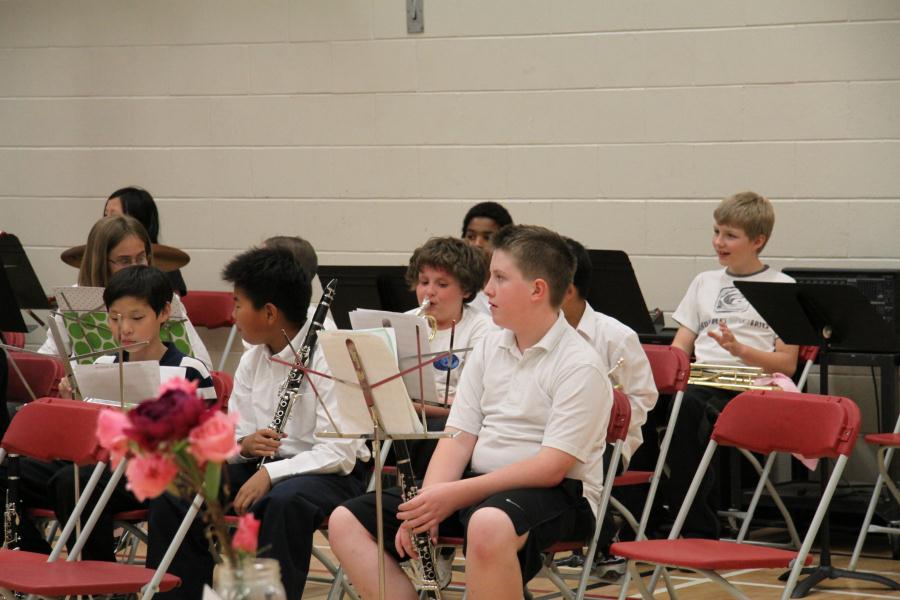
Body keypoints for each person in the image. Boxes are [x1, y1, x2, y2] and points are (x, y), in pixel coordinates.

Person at [329, 225, 611, 600]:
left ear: (537, 290)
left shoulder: (580, 364)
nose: (487, 289)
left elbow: (550, 468)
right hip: (478, 485)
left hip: (559, 495)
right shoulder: (490, 346)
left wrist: (452, 495)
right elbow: (458, 437)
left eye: (499, 278)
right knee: (345, 520)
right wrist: (429, 503)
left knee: (488, 523)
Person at [147, 246, 370, 599]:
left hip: (329, 474)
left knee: (281, 503)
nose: (232, 314)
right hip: (263, 466)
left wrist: (271, 474)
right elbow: (237, 436)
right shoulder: (252, 360)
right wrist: (245, 445)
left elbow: (340, 454)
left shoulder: (331, 357)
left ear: (269, 313)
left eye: (238, 304)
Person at [2, 266, 216, 560]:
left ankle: (99, 575)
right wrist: (72, 404)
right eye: (114, 318)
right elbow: (81, 437)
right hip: (97, 465)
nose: (124, 328)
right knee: (12, 471)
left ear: (164, 313)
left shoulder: (189, 370)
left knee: (73, 482)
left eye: (136, 318)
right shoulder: (101, 364)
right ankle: (34, 558)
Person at [667, 191, 798, 539]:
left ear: (758, 241)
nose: (718, 242)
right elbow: (680, 346)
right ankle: (643, 519)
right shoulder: (704, 282)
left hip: (751, 385)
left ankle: (696, 531)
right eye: (716, 232)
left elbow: (788, 363)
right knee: (646, 406)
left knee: (688, 410)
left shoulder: (783, 287)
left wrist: (740, 350)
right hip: (703, 378)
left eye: (730, 235)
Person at [37, 215, 212, 369]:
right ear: (101, 262)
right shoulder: (74, 300)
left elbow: (203, 363)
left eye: (141, 258)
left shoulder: (163, 297)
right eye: (125, 261)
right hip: (97, 392)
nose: (135, 266)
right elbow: (46, 361)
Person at [560, 238, 657, 470]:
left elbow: (643, 397)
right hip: (548, 437)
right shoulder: (535, 332)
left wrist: (605, 422)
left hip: (607, 444)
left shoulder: (617, 337)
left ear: (568, 291)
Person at [405, 237, 492, 406]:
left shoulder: (483, 328)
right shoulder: (403, 322)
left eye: (442, 284)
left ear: (466, 290)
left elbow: (470, 402)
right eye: (424, 282)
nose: (429, 292)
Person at [104, 186, 188, 297]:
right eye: (106, 215)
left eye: (114, 216)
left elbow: (171, 306)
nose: (105, 222)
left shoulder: (166, 264)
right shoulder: (101, 259)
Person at [460, 202, 513, 316]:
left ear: (506, 242)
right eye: (471, 236)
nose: (477, 244)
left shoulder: (514, 287)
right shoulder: (455, 285)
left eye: (487, 237)